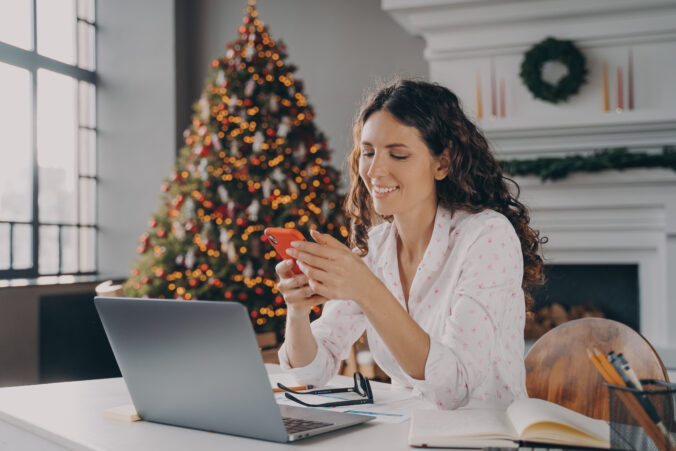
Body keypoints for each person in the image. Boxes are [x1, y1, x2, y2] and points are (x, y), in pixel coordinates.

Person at [275, 79, 545, 409]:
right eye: (368, 153)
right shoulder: (376, 248)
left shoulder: (487, 236)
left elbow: (454, 389)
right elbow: (310, 374)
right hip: (407, 431)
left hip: (487, 434)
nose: (374, 171)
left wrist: (368, 290)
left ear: (442, 163)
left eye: (398, 155)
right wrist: (298, 312)